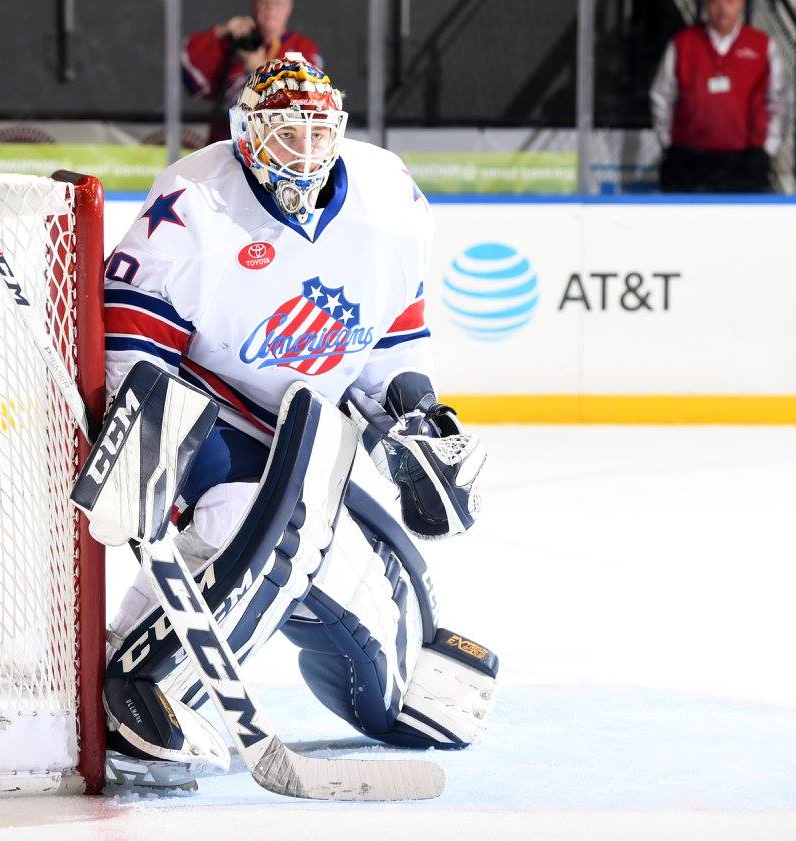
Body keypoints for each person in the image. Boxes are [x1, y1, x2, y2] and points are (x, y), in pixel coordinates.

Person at [97, 54, 498, 777]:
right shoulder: (194, 204)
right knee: (243, 525)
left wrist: (415, 416)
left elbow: (393, 331)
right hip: (207, 407)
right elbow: (132, 343)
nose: (306, 150)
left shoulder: (386, 196)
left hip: (311, 431)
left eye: (319, 132)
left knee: (380, 601)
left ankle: (384, 668)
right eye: (286, 133)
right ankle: (139, 678)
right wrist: (149, 448)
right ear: (247, 135)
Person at [650, 0, 784, 192]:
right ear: (705, 4)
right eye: (715, 2)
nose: (722, 8)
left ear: (742, 4)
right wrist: (668, 143)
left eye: (730, 2)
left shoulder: (763, 46)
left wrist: (769, 148)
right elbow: (662, 96)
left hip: (745, 164)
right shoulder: (681, 44)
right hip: (689, 163)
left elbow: (778, 101)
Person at [182, 0, 322, 143]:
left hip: (277, 149)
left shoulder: (303, 48)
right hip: (226, 144)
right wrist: (224, 29)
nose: (270, 8)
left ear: (289, 7)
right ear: (253, 5)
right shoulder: (234, 42)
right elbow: (187, 60)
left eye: (278, 3)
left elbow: (306, 101)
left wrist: (257, 66)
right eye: (264, 2)